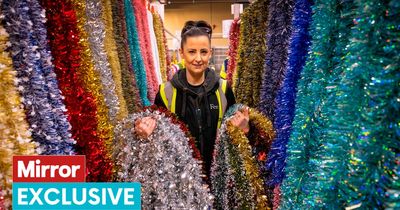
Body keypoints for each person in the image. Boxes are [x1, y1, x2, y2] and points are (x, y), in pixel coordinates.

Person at [134, 20, 249, 176]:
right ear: (182, 53)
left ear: (210, 53)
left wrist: (244, 128)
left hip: (217, 177)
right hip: (180, 182)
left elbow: (233, 129)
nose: (198, 58)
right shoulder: (165, 92)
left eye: (203, 52)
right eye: (192, 51)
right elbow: (156, 134)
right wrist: (144, 129)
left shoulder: (223, 89)